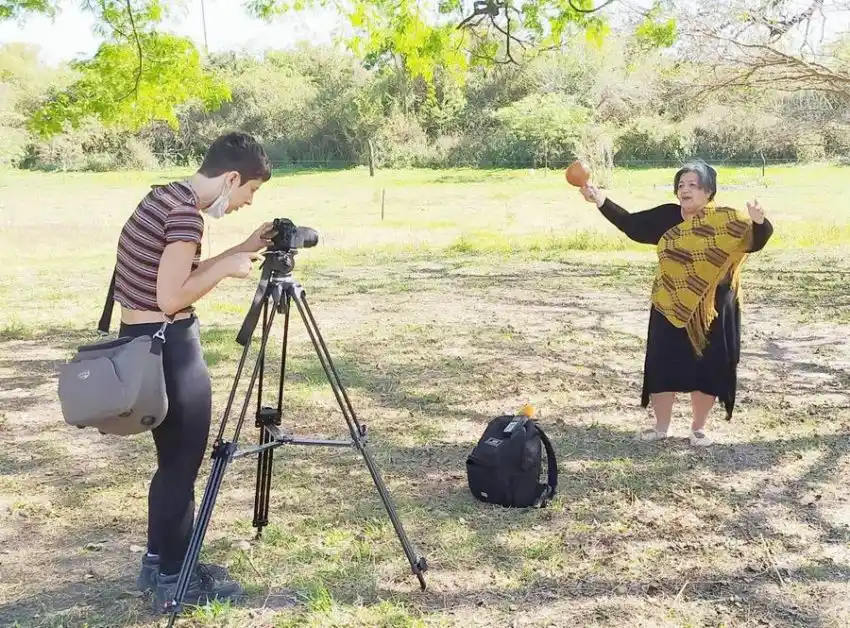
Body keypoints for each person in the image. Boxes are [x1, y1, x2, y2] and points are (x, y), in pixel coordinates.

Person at [111, 131, 276, 610]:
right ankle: (175, 580)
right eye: (251, 190)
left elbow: (174, 277)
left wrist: (242, 247)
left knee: (171, 468)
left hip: (140, 345)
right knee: (181, 469)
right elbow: (172, 298)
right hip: (170, 350)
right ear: (231, 177)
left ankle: (159, 563)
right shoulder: (186, 217)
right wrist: (226, 270)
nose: (247, 201)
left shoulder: (162, 197)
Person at [579, 159, 774, 446]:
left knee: (707, 366)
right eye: (681, 185)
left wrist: (759, 221)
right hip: (669, 304)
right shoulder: (667, 217)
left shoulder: (726, 220)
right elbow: (632, 225)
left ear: (708, 191)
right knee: (662, 363)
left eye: (693, 185)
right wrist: (599, 199)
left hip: (712, 309)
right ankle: (661, 427)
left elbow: (755, 241)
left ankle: (698, 429)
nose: (685, 190)